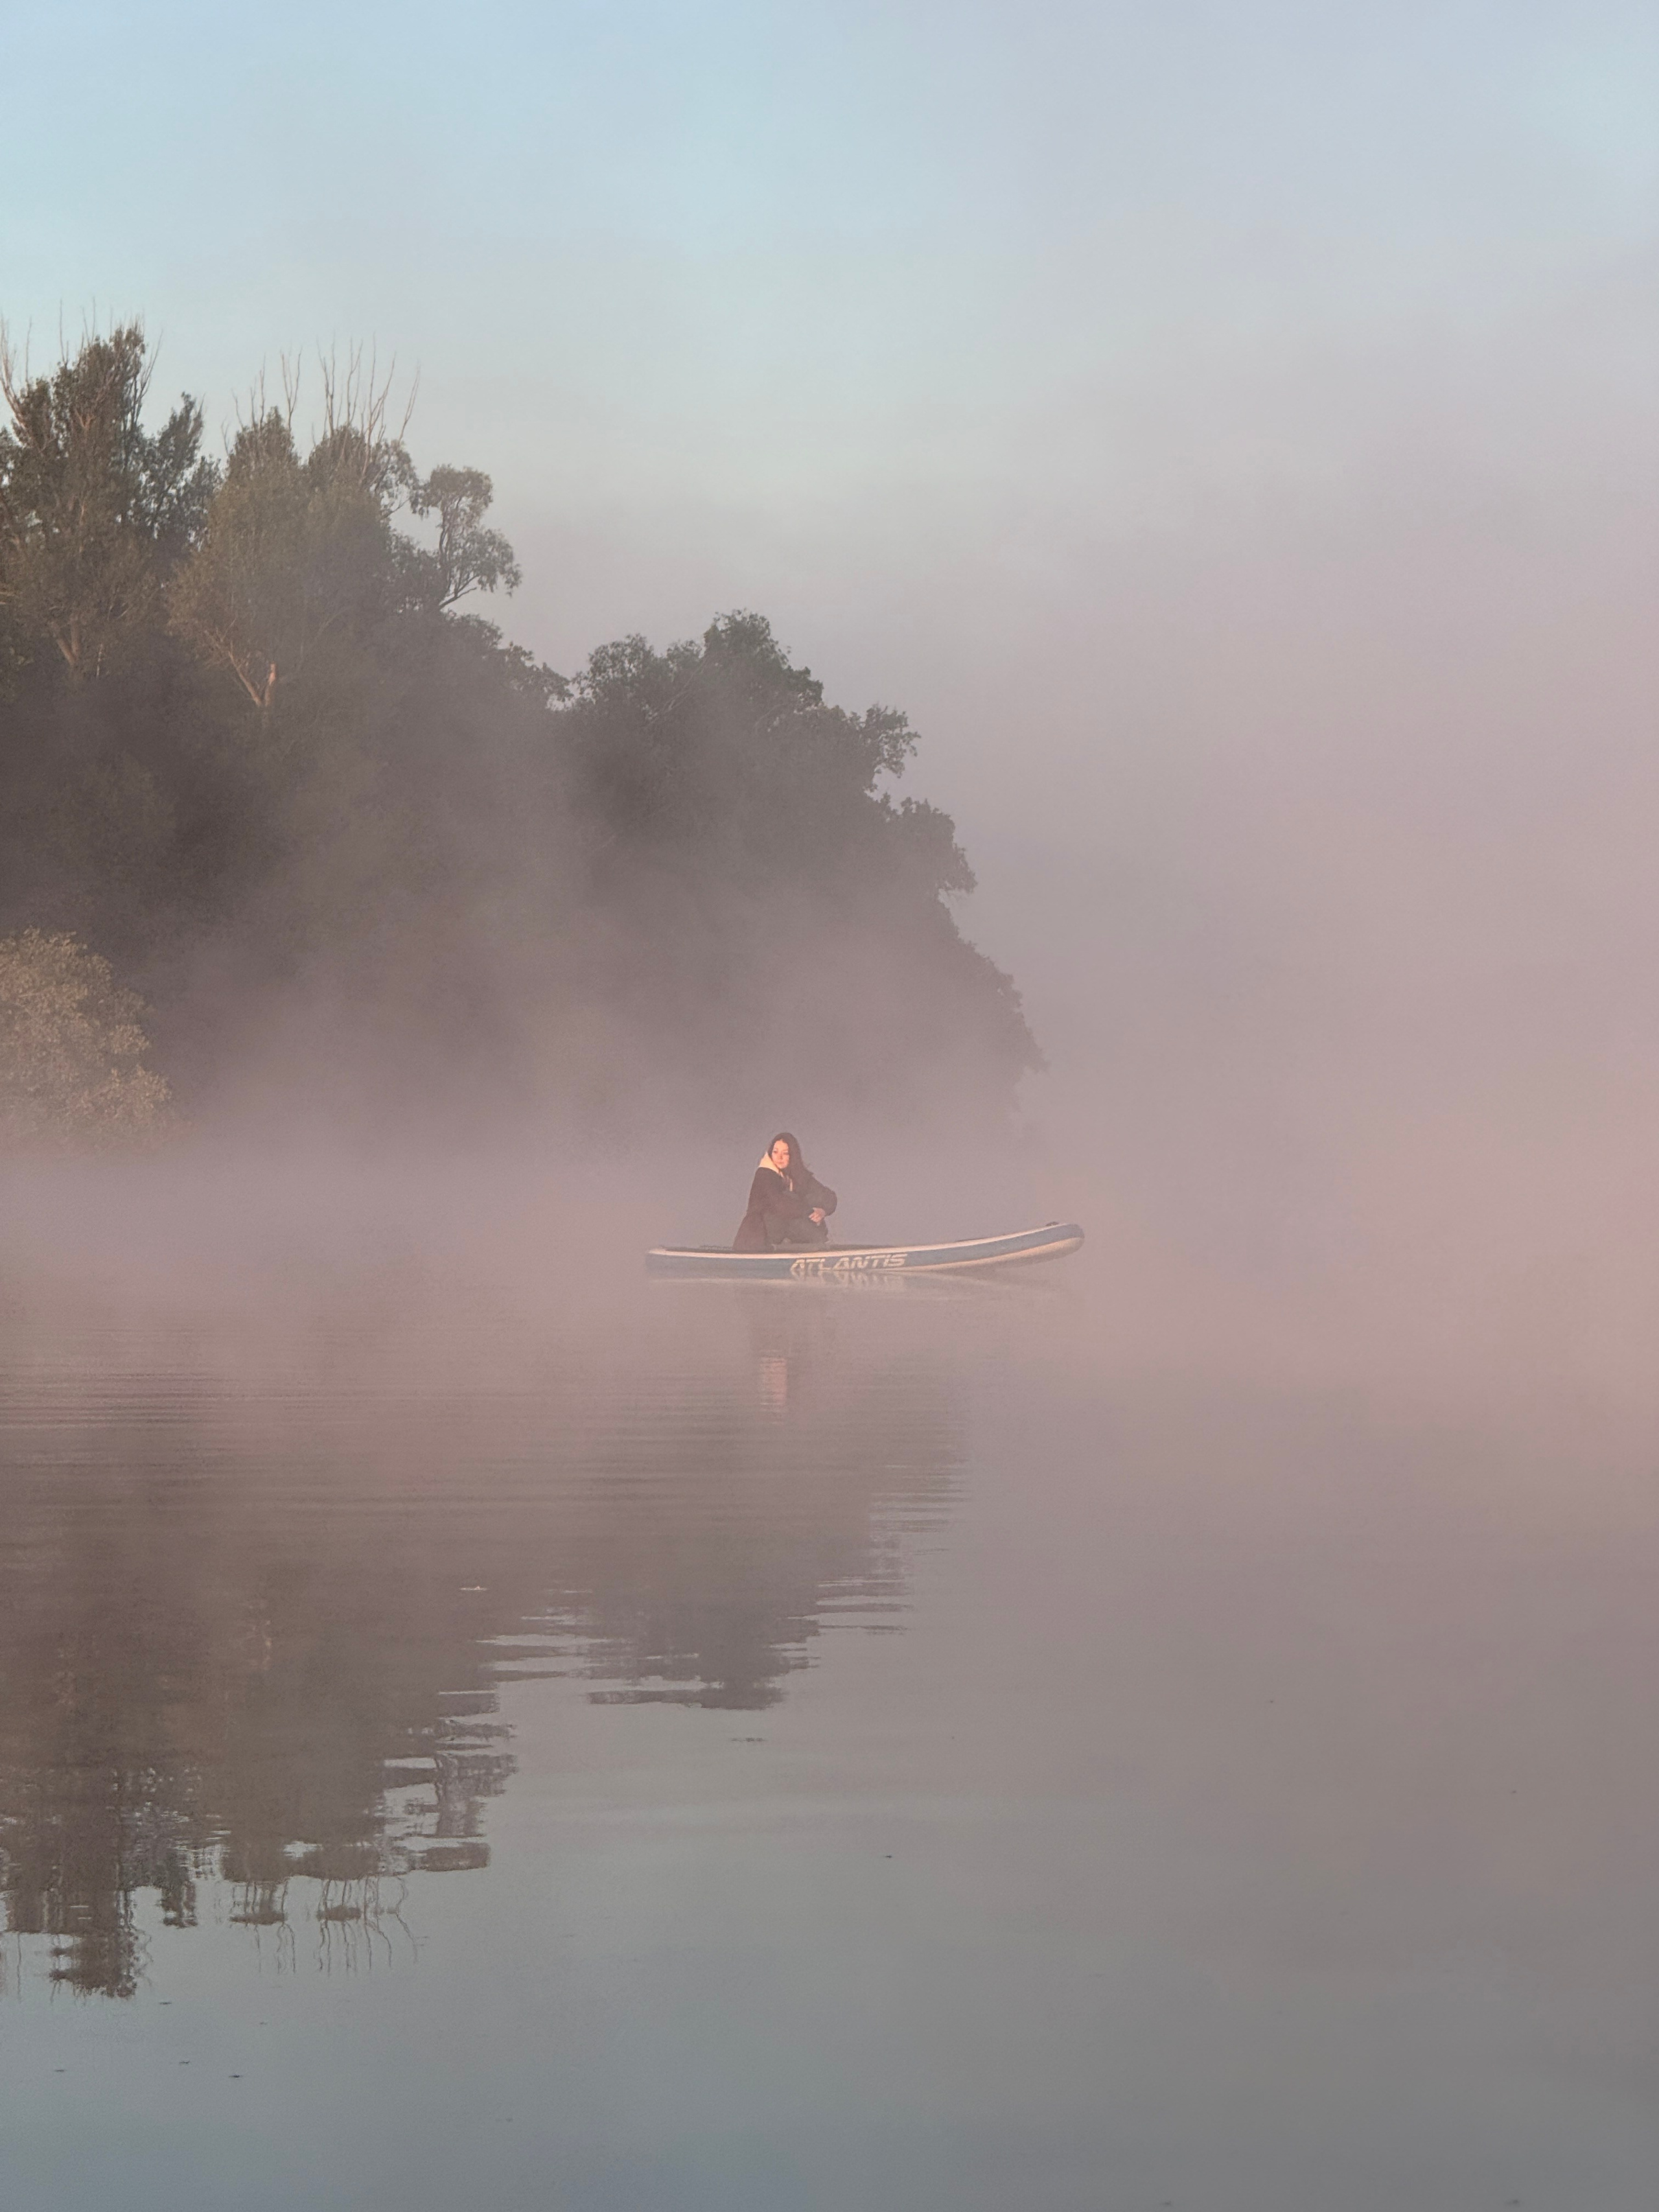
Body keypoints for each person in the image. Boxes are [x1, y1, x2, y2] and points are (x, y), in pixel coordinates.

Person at [733, 1132, 838, 1253]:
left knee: (809, 1200)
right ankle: (816, 1248)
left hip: (782, 1234)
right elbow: (780, 1205)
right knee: (792, 1200)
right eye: (776, 1152)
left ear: (792, 1155)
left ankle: (818, 1248)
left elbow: (827, 1196)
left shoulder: (797, 1176)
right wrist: (810, 1212)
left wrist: (822, 1211)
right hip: (758, 1238)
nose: (779, 1157)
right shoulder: (765, 1175)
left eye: (785, 1153)